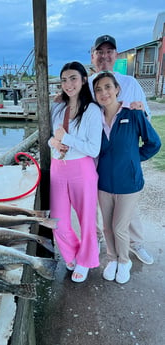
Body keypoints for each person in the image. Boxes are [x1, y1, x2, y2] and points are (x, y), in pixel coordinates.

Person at [89, 34, 154, 265]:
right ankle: (98, 239)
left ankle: (135, 243)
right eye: (100, 52)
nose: (104, 56)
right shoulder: (86, 84)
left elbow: (144, 116)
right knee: (96, 203)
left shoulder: (130, 83)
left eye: (109, 51)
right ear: (92, 56)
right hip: (94, 154)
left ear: (116, 55)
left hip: (122, 157)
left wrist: (134, 156)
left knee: (127, 204)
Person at [92, 71, 161, 283]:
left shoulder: (133, 114)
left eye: (108, 87)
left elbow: (154, 143)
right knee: (106, 226)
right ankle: (111, 258)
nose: (104, 93)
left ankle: (124, 261)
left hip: (129, 183)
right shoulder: (94, 119)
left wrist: (133, 158)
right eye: (98, 89)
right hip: (103, 182)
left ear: (117, 89)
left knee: (120, 227)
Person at [48, 61, 103, 283]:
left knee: (86, 219)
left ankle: (87, 259)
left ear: (83, 80)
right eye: (64, 79)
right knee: (58, 221)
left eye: (73, 78)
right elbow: (53, 137)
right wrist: (55, 142)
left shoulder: (91, 110)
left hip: (82, 168)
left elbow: (93, 148)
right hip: (57, 169)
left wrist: (67, 139)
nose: (68, 84)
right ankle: (72, 252)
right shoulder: (58, 107)